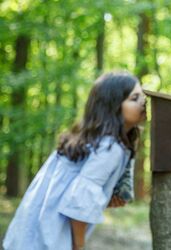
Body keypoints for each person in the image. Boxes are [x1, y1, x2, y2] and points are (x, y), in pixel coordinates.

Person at [2, 72, 147, 250]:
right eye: (134, 98)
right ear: (113, 106)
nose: (144, 102)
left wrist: (103, 198)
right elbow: (79, 203)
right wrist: (78, 246)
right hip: (49, 239)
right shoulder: (110, 148)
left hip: (27, 235)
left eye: (143, 96)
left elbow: (70, 190)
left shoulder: (91, 140)